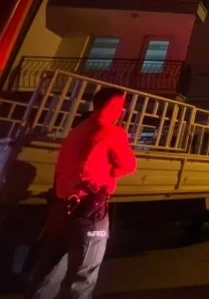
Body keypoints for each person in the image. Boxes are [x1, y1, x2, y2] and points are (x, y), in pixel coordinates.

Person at [24, 87, 137, 299]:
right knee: (82, 275)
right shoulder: (111, 131)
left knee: (48, 271)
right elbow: (129, 165)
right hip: (88, 211)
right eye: (121, 106)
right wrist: (110, 172)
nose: (122, 111)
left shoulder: (76, 131)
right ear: (114, 106)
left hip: (60, 208)